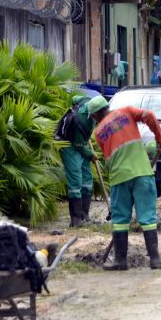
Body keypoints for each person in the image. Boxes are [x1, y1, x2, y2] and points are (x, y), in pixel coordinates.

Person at [86, 96, 161, 270]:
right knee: (147, 217)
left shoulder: (98, 132)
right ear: (107, 106)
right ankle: (155, 260)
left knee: (120, 219)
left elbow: (108, 156)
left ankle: (120, 261)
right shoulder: (127, 111)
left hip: (119, 177)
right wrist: (160, 139)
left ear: (94, 116)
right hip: (141, 173)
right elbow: (149, 115)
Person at [60, 95, 96, 227]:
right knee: (76, 180)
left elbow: (74, 98)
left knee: (87, 178)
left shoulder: (87, 101)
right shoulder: (80, 120)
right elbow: (78, 144)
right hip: (69, 144)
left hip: (82, 143)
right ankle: (75, 220)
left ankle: (84, 215)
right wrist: (91, 154)